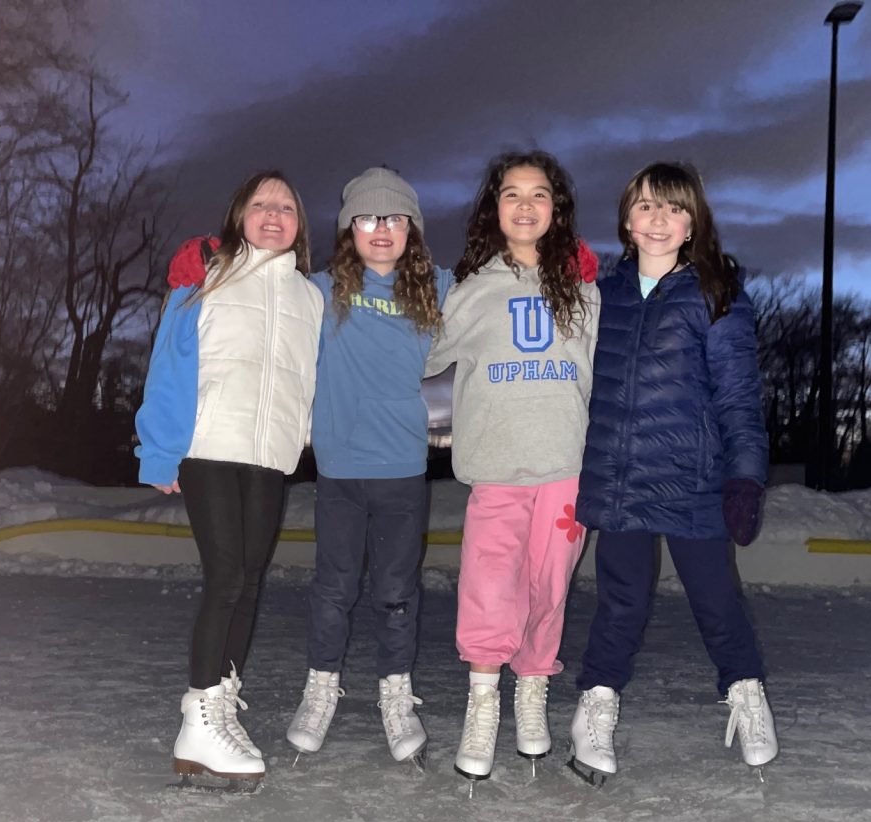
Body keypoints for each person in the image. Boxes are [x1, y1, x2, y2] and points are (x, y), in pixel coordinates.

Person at [568, 161, 776, 785]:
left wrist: (745, 476)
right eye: (645, 206)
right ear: (627, 221)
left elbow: (739, 396)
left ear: (692, 224)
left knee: (716, 599)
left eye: (673, 207)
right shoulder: (604, 296)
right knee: (621, 603)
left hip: (693, 479)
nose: (658, 219)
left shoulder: (716, 294)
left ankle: (746, 696)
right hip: (622, 480)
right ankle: (595, 709)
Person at [135, 171, 323, 787]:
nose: (274, 214)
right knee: (227, 577)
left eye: (286, 207)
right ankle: (198, 714)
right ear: (239, 212)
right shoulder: (205, 272)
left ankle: (220, 705)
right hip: (210, 444)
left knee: (251, 581)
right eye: (262, 204)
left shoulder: (309, 296)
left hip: (269, 453)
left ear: (300, 222)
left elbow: (312, 378)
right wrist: (160, 450)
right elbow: (169, 360)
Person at [425, 150, 600, 783]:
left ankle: (532, 697)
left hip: (564, 470)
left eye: (539, 195)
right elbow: (415, 355)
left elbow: (611, 373)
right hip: (495, 469)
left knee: (547, 588)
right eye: (511, 194)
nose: (525, 206)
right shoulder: (469, 292)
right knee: (489, 587)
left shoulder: (584, 293)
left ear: (557, 209)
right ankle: (482, 705)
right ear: (493, 209)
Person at [284, 167, 454, 766]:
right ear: (348, 229)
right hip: (339, 471)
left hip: (403, 469)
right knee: (333, 587)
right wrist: (202, 268)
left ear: (413, 227)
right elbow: (261, 298)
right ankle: (320, 689)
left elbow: (504, 293)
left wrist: (571, 270)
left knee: (394, 591)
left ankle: (395, 694)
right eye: (367, 218)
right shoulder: (320, 290)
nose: (381, 229)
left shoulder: (438, 288)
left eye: (395, 218)